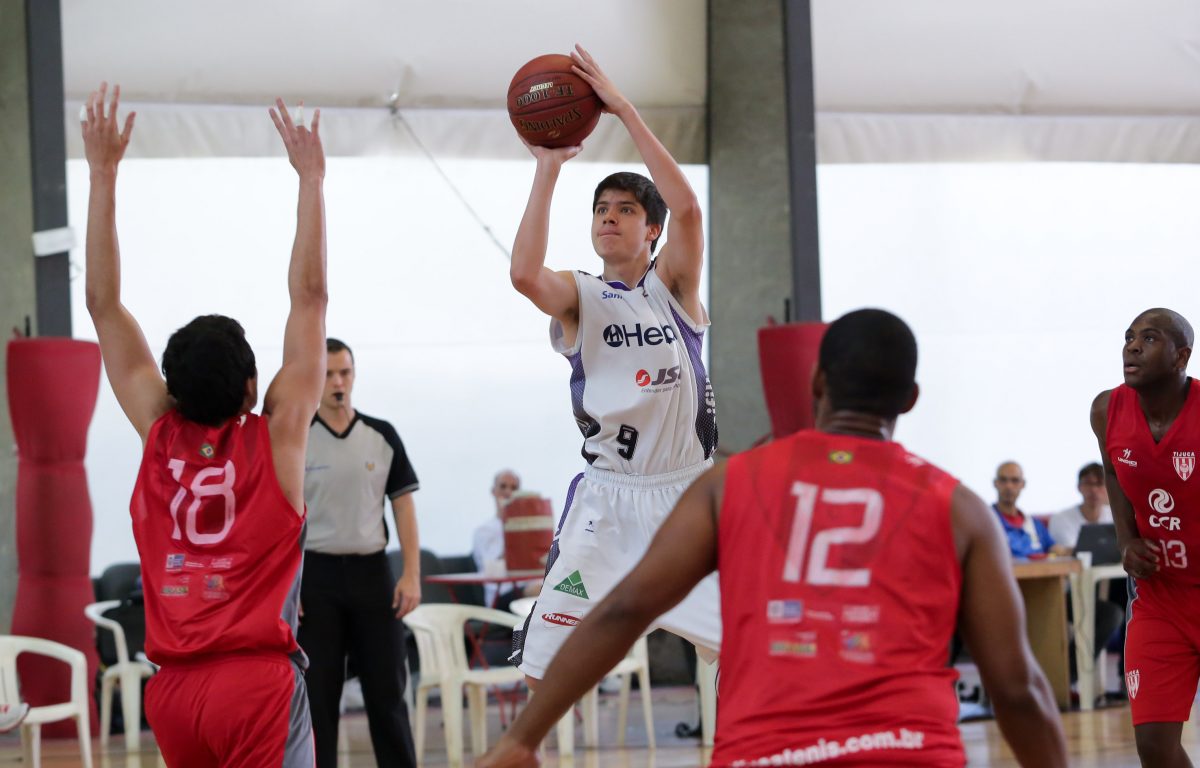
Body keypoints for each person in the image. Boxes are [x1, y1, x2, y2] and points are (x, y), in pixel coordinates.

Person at [478, 309, 1068, 768]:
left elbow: (625, 609)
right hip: (911, 751)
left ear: (816, 381)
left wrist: (523, 737)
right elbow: (1017, 689)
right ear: (910, 398)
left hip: (766, 752)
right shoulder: (961, 510)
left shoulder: (731, 485)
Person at [83, 83, 325, 766]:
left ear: (173, 390)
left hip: (174, 693)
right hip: (255, 684)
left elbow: (103, 304)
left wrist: (103, 173)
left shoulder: (158, 432)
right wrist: (311, 181)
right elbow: (310, 299)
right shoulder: (276, 435)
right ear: (252, 388)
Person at [507, 44, 720, 683]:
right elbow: (524, 274)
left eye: (625, 209)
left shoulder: (672, 286)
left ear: (651, 230)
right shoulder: (581, 295)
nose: (609, 218)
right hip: (609, 500)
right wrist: (548, 167)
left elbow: (689, 210)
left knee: (748, 650)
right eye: (602, 210)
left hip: (686, 494)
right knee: (547, 672)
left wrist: (623, 110)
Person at [300, 337, 420, 768]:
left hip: (373, 573)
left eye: (344, 373)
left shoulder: (381, 435)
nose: (338, 382)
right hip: (315, 579)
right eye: (329, 374)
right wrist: (287, 587)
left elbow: (403, 505)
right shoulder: (298, 438)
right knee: (318, 698)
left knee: (388, 693)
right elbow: (280, 516)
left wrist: (411, 574)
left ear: (354, 375)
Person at [1091, 307, 1200, 767]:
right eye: (1129, 337)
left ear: (1181, 357)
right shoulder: (1106, 410)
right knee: (1154, 745)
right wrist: (1126, 539)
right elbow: (1112, 473)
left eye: (1150, 338)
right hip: (1162, 598)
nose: (1132, 346)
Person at [472, 469, 526, 610]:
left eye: (514, 488)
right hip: (500, 596)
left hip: (526, 588)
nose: (508, 492)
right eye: (503, 486)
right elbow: (493, 569)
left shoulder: (527, 528)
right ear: (493, 491)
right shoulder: (483, 531)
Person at [992, 462, 1070, 558]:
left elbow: (1055, 549)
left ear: (1023, 484)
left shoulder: (1034, 524)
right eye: (1003, 480)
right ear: (995, 483)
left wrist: (1075, 550)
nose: (1009, 486)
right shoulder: (986, 522)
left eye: (1015, 480)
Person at [1048, 462, 1113, 549]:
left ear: (1108, 487)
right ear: (1079, 487)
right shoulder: (1060, 518)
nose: (1093, 490)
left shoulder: (1116, 517)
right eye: (1088, 484)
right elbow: (1068, 552)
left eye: (1099, 484)